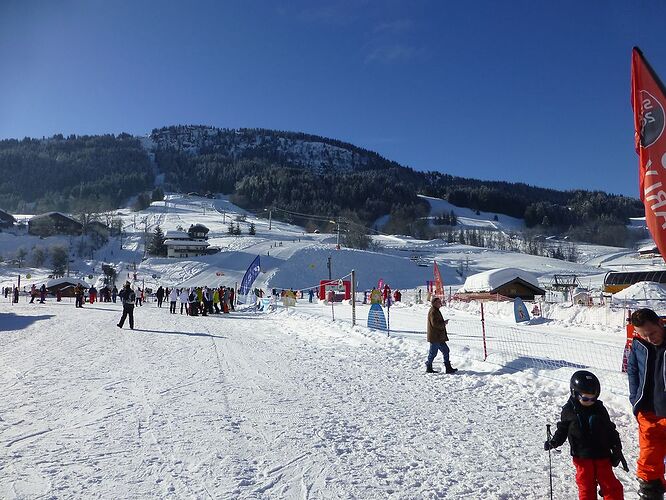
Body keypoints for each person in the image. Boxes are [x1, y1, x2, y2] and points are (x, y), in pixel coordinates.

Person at [545, 370, 626, 500]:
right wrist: (554, 441)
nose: (590, 401)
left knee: (611, 485)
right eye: (585, 398)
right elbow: (562, 429)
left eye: (593, 398)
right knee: (586, 486)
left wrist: (616, 448)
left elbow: (610, 429)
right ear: (574, 393)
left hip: (602, 455)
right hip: (582, 457)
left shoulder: (599, 408)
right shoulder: (569, 411)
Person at [628, 308, 666, 498]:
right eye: (643, 334)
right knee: (649, 462)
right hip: (648, 412)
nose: (650, 338)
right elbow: (632, 370)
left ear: (661, 323)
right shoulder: (638, 345)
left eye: (652, 333)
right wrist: (635, 399)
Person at [426, 297, 457, 374]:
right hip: (435, 337)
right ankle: (429, 366)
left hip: (439, 336)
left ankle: (448, 367)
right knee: (433, 353)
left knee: (446, 350)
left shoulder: (436, 310)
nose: (440, 303)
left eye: (440, 302)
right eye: (438, 302)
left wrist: (443, 322)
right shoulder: (433, 311)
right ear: (434, 303)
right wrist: (444, 323)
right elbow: (435, 324)